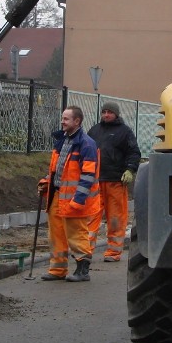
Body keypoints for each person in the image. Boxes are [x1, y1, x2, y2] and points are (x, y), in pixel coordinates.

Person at [37, 106, 100, 282]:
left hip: (74, 199)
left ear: (77, 121)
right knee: (55, 234)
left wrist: (78, 200)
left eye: (66, 119)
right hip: (57, 195)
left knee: (77, 234)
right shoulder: (62, 141)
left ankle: (82, 270)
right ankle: (57, 269)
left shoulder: (86, 144)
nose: (62, 121)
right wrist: (46, 181)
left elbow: (88, 175)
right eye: (63, 118)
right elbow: (57, 169)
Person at [87, 101, 141, 262]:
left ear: (116, 114)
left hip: (115, 181)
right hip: (95, 181)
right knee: (90, 217)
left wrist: (130, 169)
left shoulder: (124, 132)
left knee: (116, 218)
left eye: (109, 112)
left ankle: (114, 251)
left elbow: (133, 152)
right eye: (104, 112)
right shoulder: (94, 131)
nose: (106, 115)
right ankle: (85, 250)